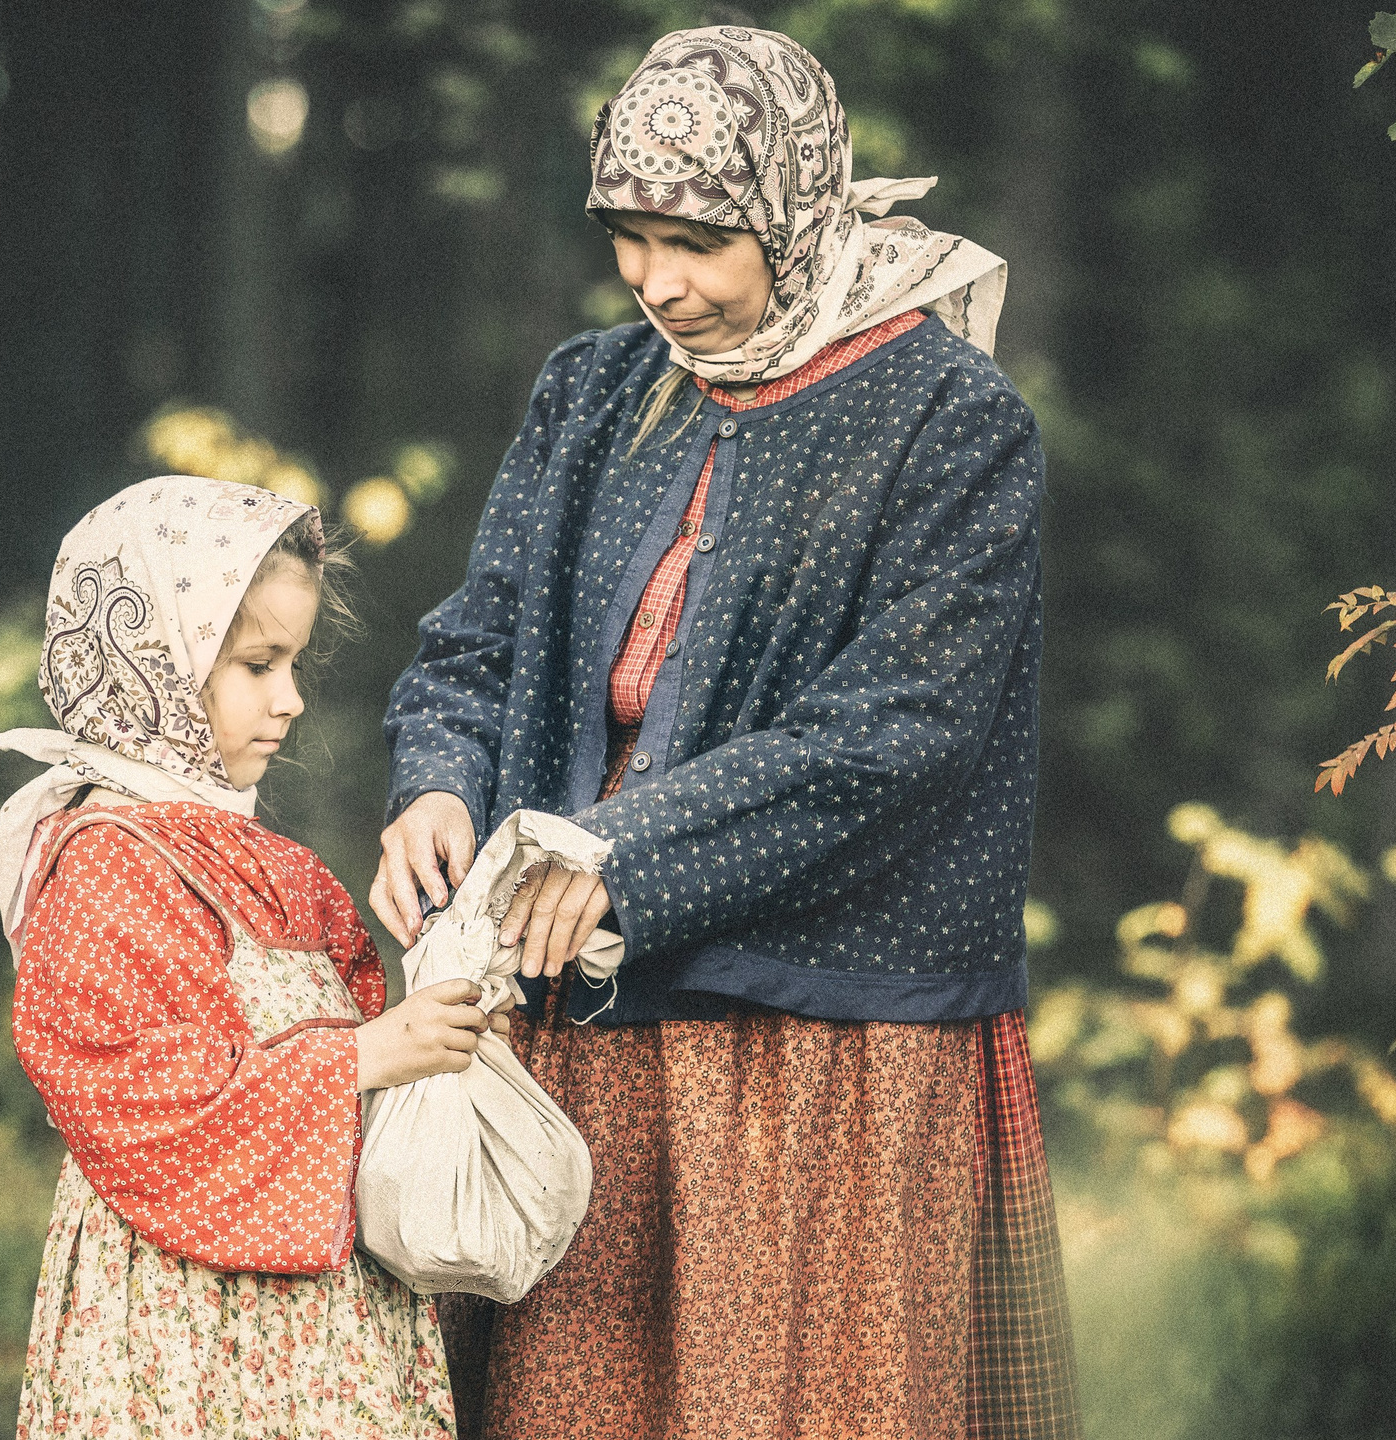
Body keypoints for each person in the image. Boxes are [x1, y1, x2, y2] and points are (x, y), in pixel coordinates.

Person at [374, 26, 1079, 1440]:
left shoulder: (951, 420)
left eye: (695, 242)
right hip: (584, 1021)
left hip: (822, 1040)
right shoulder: (593, 391)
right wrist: (437, 780)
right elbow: (479, 638)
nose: (656, 282)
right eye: (628, 239)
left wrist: (622, 853)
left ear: (795, 211)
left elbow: (903, 728)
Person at [0, 476, 498, 1440]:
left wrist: (440, 1014)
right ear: (153, 664)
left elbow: (353, 1043)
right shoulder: (106, 861)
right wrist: (360, 1058)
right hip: (186, 1330)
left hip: (320, 1324)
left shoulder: (270, 862)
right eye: (258, 665)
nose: (291, 699)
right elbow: (131, 1090)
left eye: (293, 663)